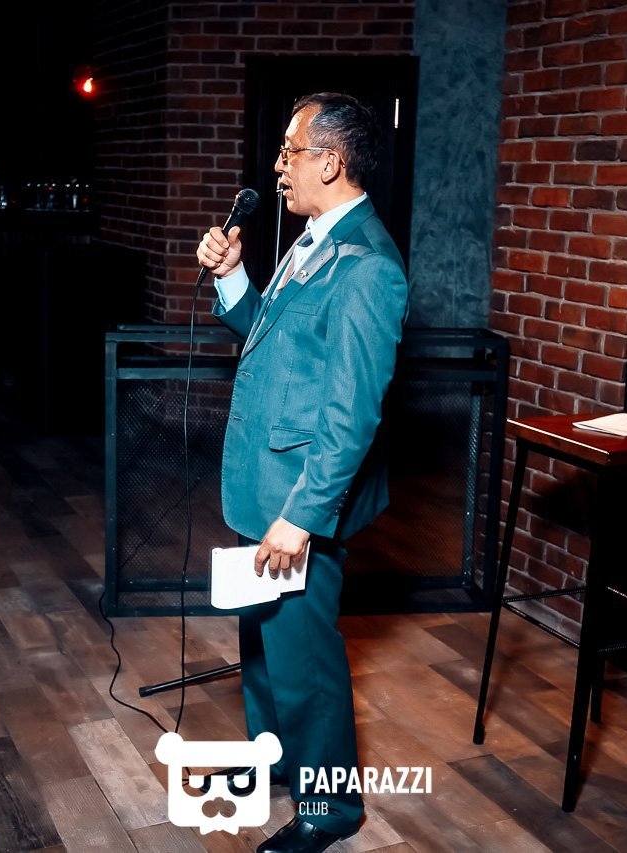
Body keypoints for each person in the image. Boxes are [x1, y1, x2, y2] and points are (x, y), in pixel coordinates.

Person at [196, 93, 408, 853]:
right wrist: (234, 278)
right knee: (264, 644)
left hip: (297, 499)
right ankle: (276, 761)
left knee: (305, 657)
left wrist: (302, 516)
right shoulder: (313, 238)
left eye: (291, 150)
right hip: (264, 484)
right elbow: (273, 338)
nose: (279, 165)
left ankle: (330, 806)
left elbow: (351, 415)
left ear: (331, 161)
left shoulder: (369, 267)